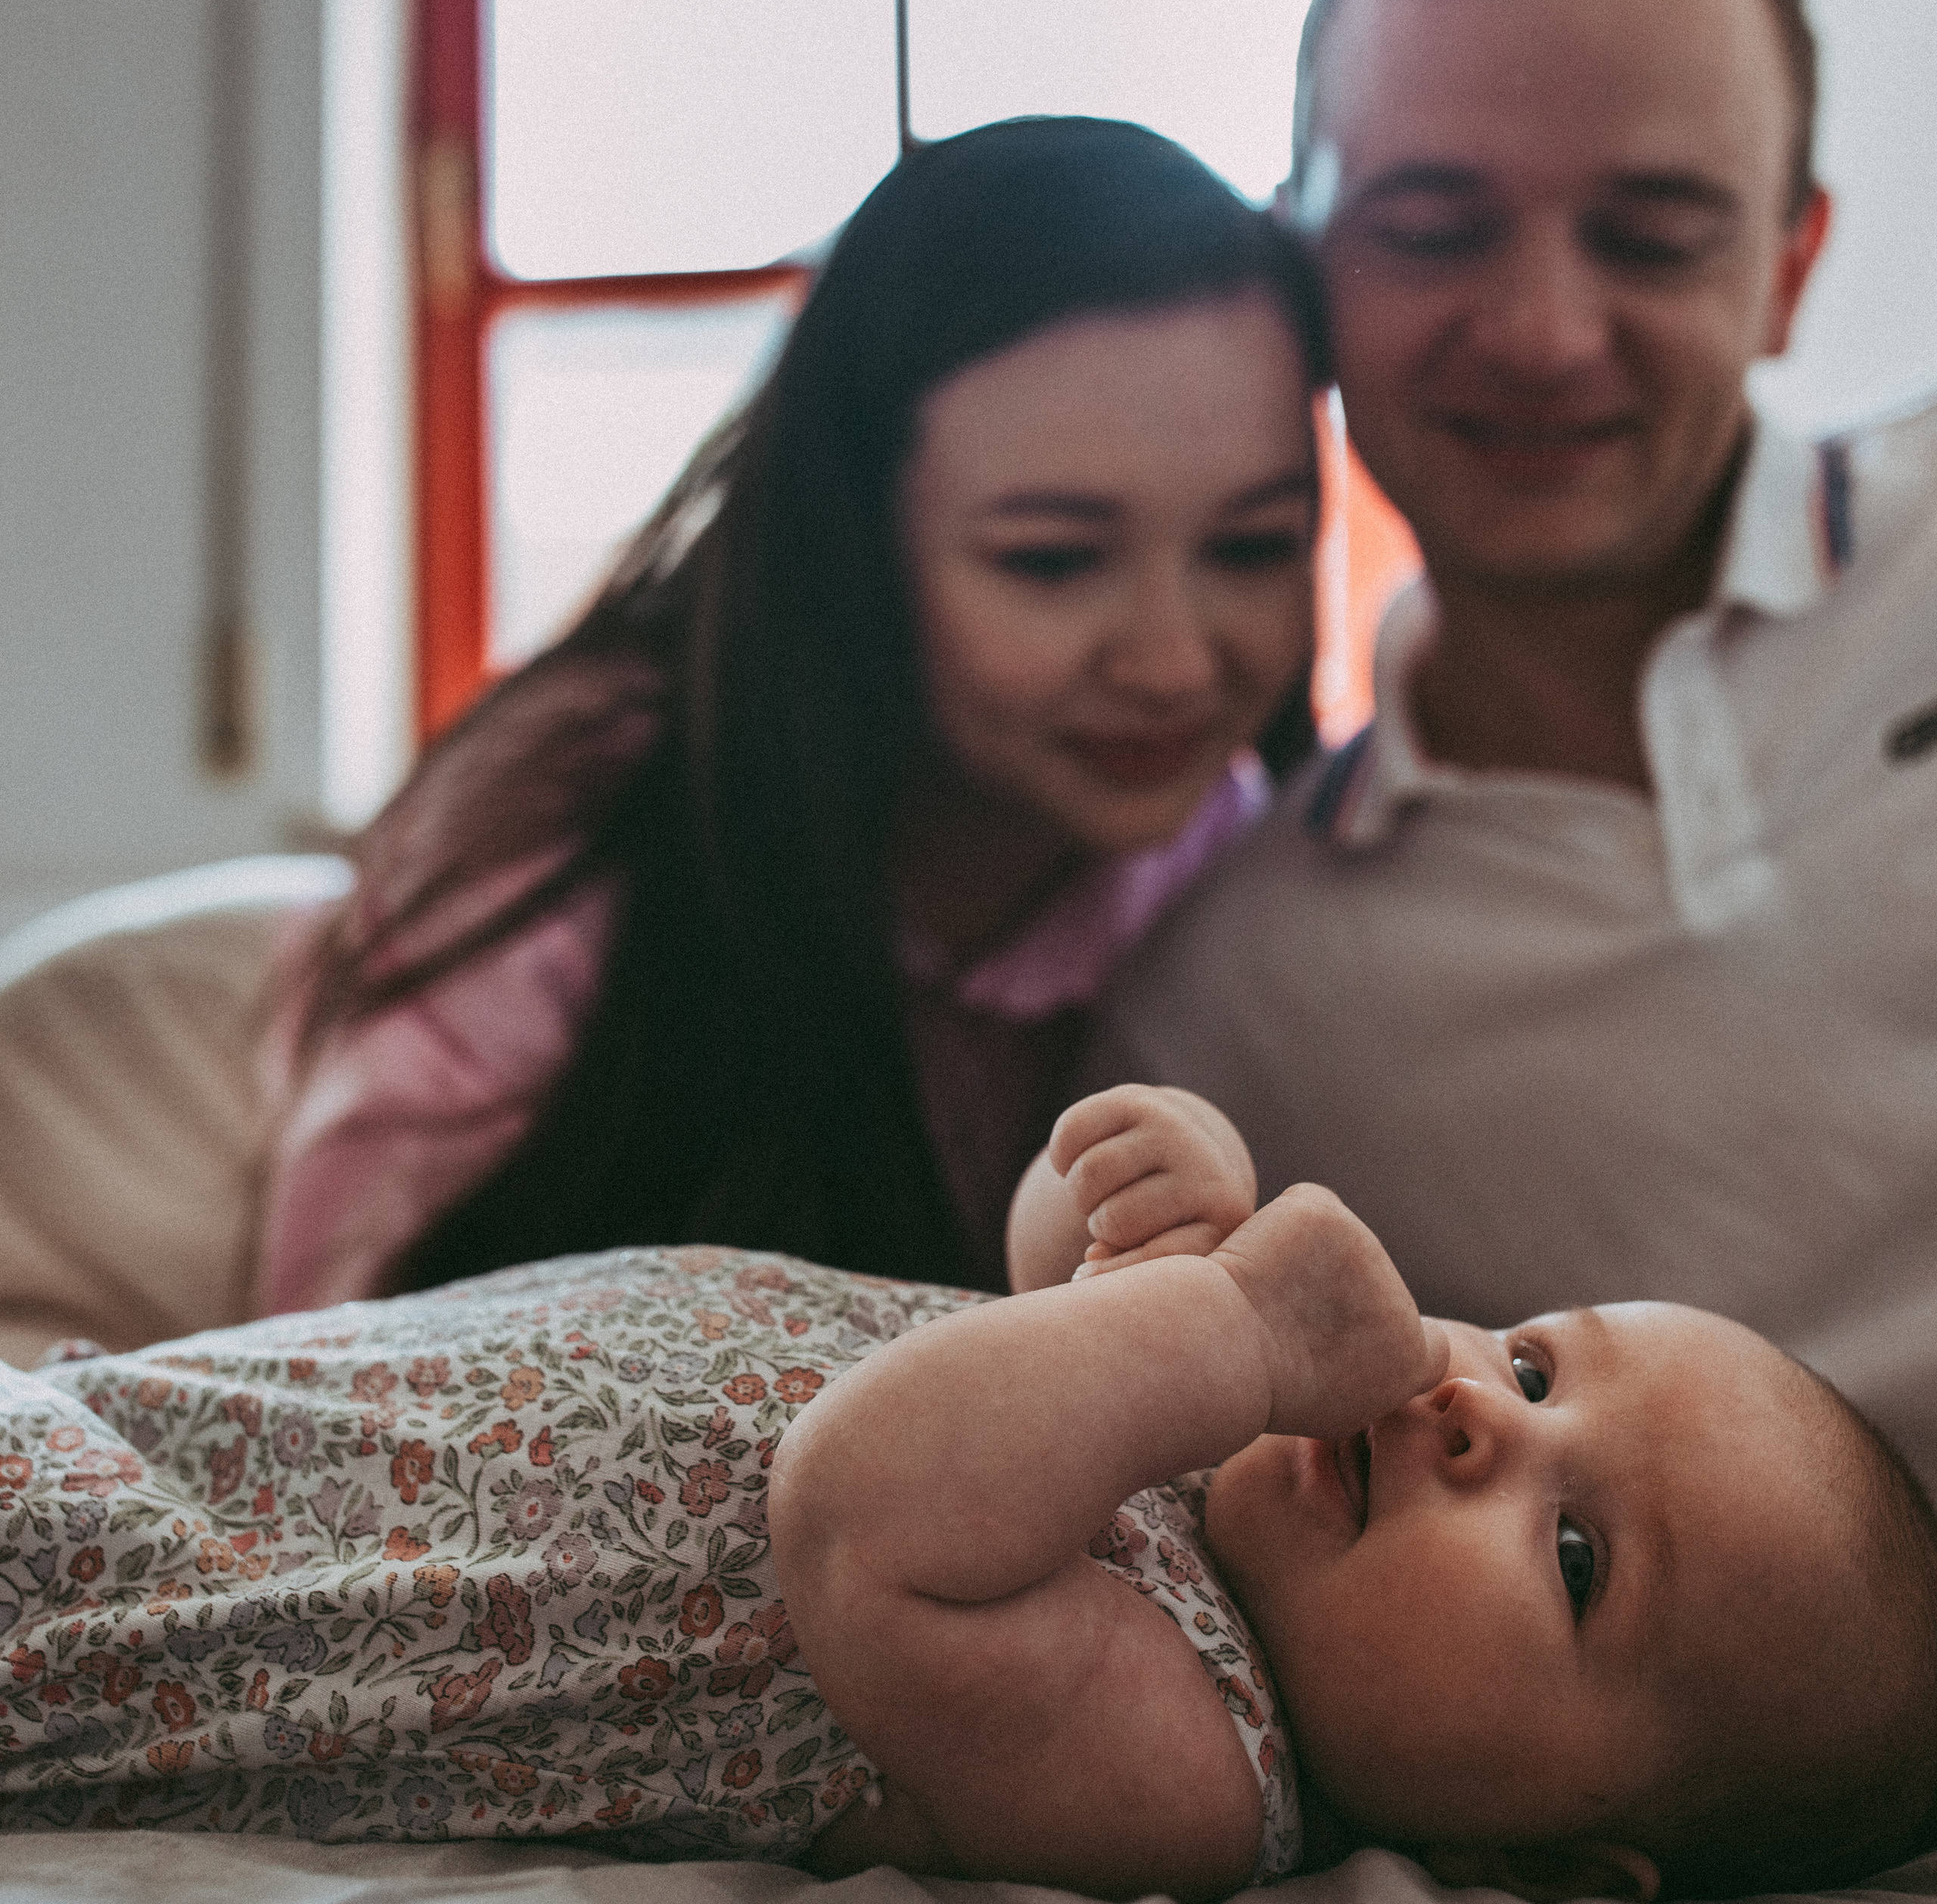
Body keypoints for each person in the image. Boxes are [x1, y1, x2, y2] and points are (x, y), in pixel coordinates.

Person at [0, 1087, 1932, 1904]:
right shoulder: (1191, 1445)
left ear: (1546, 1872)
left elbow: (869, 1511)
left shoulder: (1193, 1765)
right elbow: (1030, 1280)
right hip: (213, 1424)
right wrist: (1126, 1198)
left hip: (191, 1595)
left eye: (1573, 1554)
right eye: (1528, 1360)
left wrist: (1234, 1324)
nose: (1467, 1420)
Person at [1087, 0, 1937, 1484]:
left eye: (1653, 234)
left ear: (1786, 267)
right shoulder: (1220, 1015)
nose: (1542, 333)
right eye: (1428, 229)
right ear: (1303, 266)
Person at [257, 116, 1328, 1314]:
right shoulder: (564, 846)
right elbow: (317, 1386)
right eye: (1053, 561)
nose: (1175, 662)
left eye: (1252, 546)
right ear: (856, 547)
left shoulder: (1241, 861)